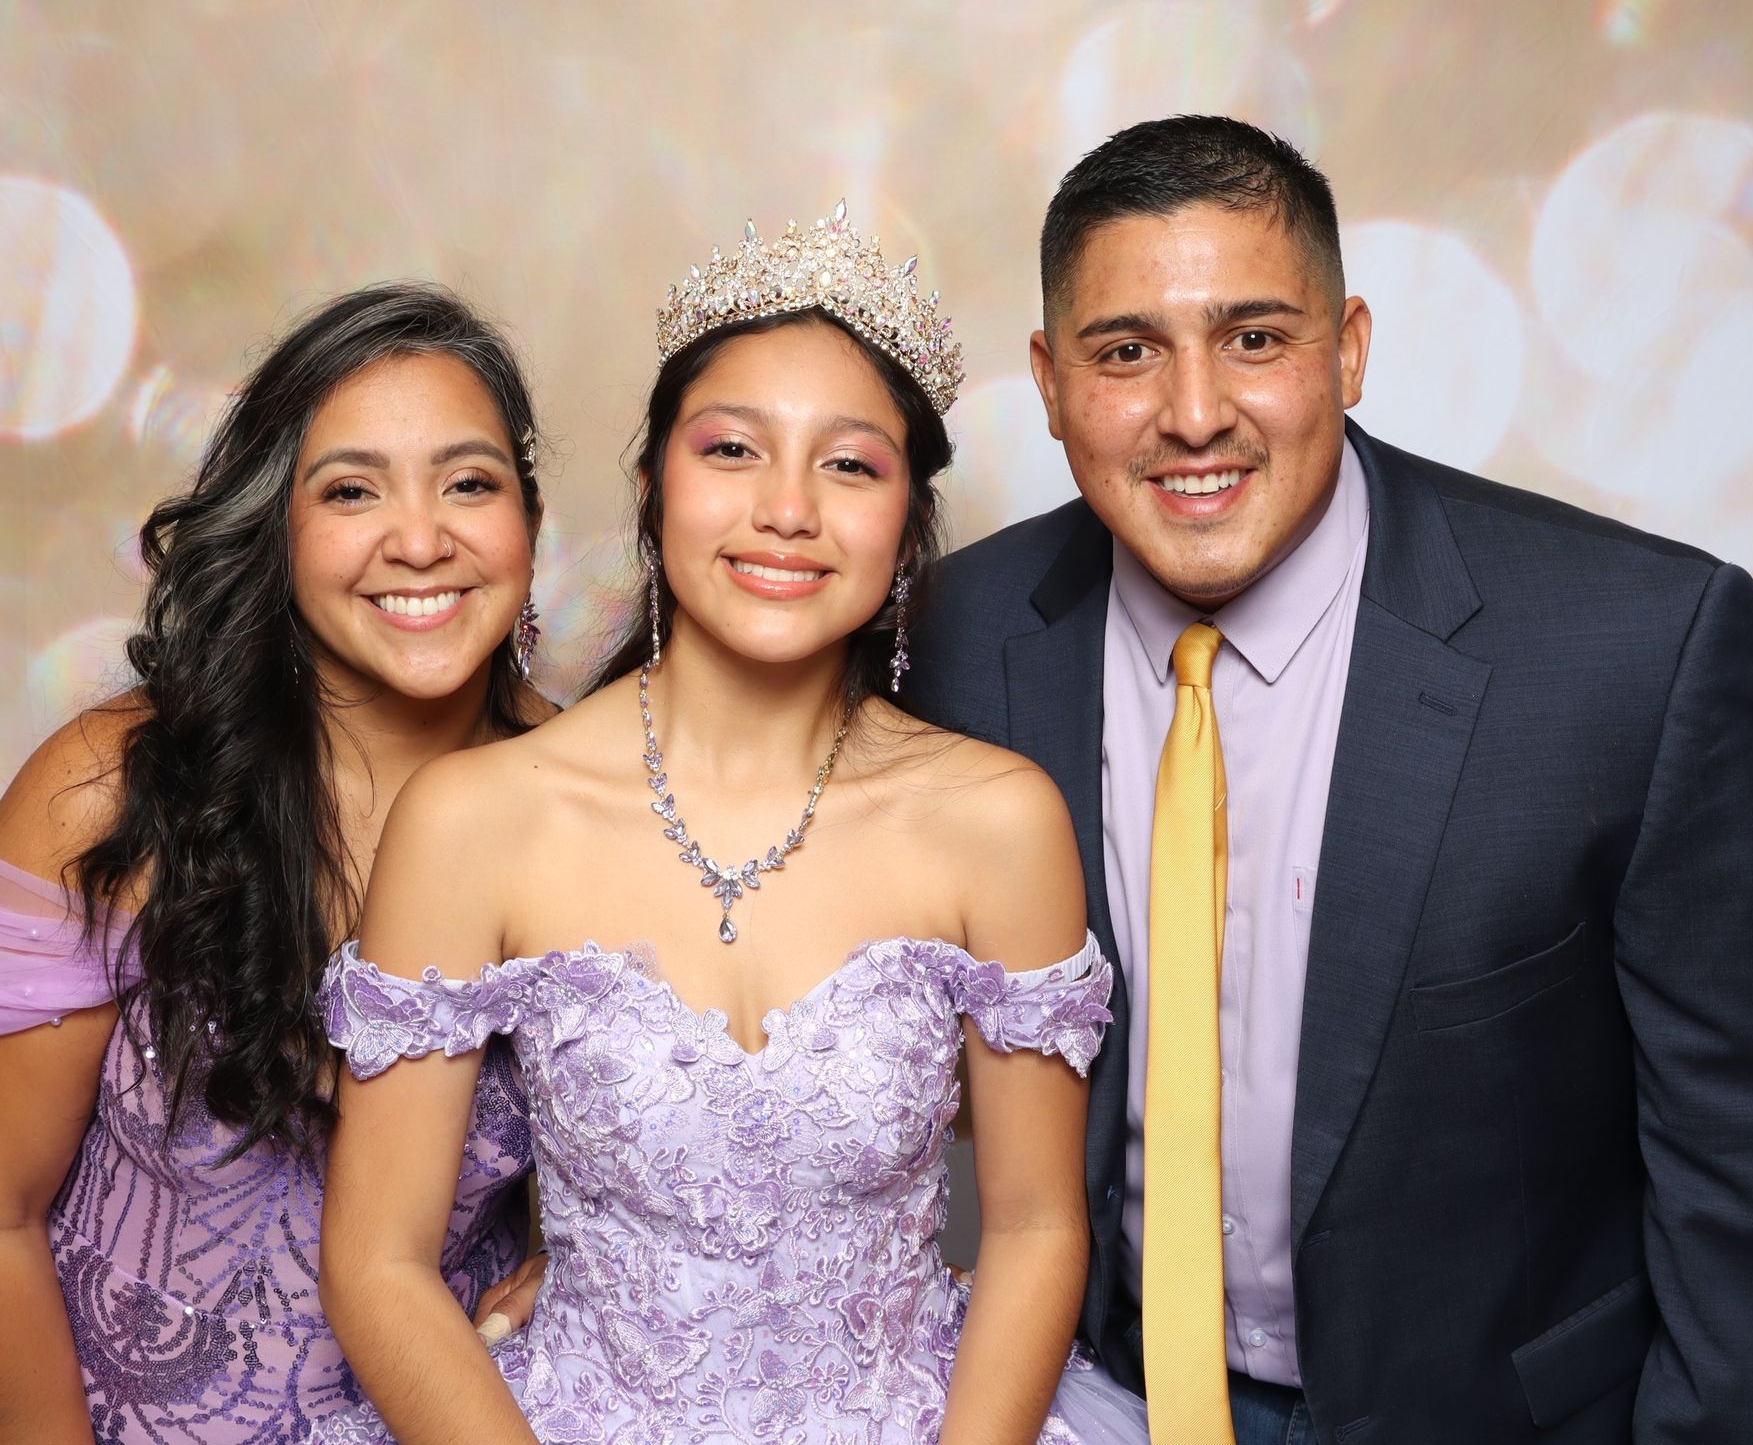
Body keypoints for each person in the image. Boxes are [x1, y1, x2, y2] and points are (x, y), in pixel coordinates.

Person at [904, 114, 1753, 1444]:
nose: (1196, 413)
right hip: (1102, 1402)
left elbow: (1734, 1154)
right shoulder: (958, 632)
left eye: (1255, 338)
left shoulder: (1638, 649)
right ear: (1052, 384)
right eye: (1126, 352)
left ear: (1350, 350)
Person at [312, 208, 1150, 1444]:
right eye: (733, 450)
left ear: (907, 523)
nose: (787, 508)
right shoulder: (477, 819)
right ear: (654, 487)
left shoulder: (998, 821)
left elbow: (1034, 1226)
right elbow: (377, 1259)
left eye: (850, 465)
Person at [0, 284, 552, 1444]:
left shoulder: (600, 800)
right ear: (274, 527)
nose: (420, 539)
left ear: (530, 521)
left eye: (469, 483)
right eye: (351, 489)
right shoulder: (107, 790)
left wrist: (596, 1261)